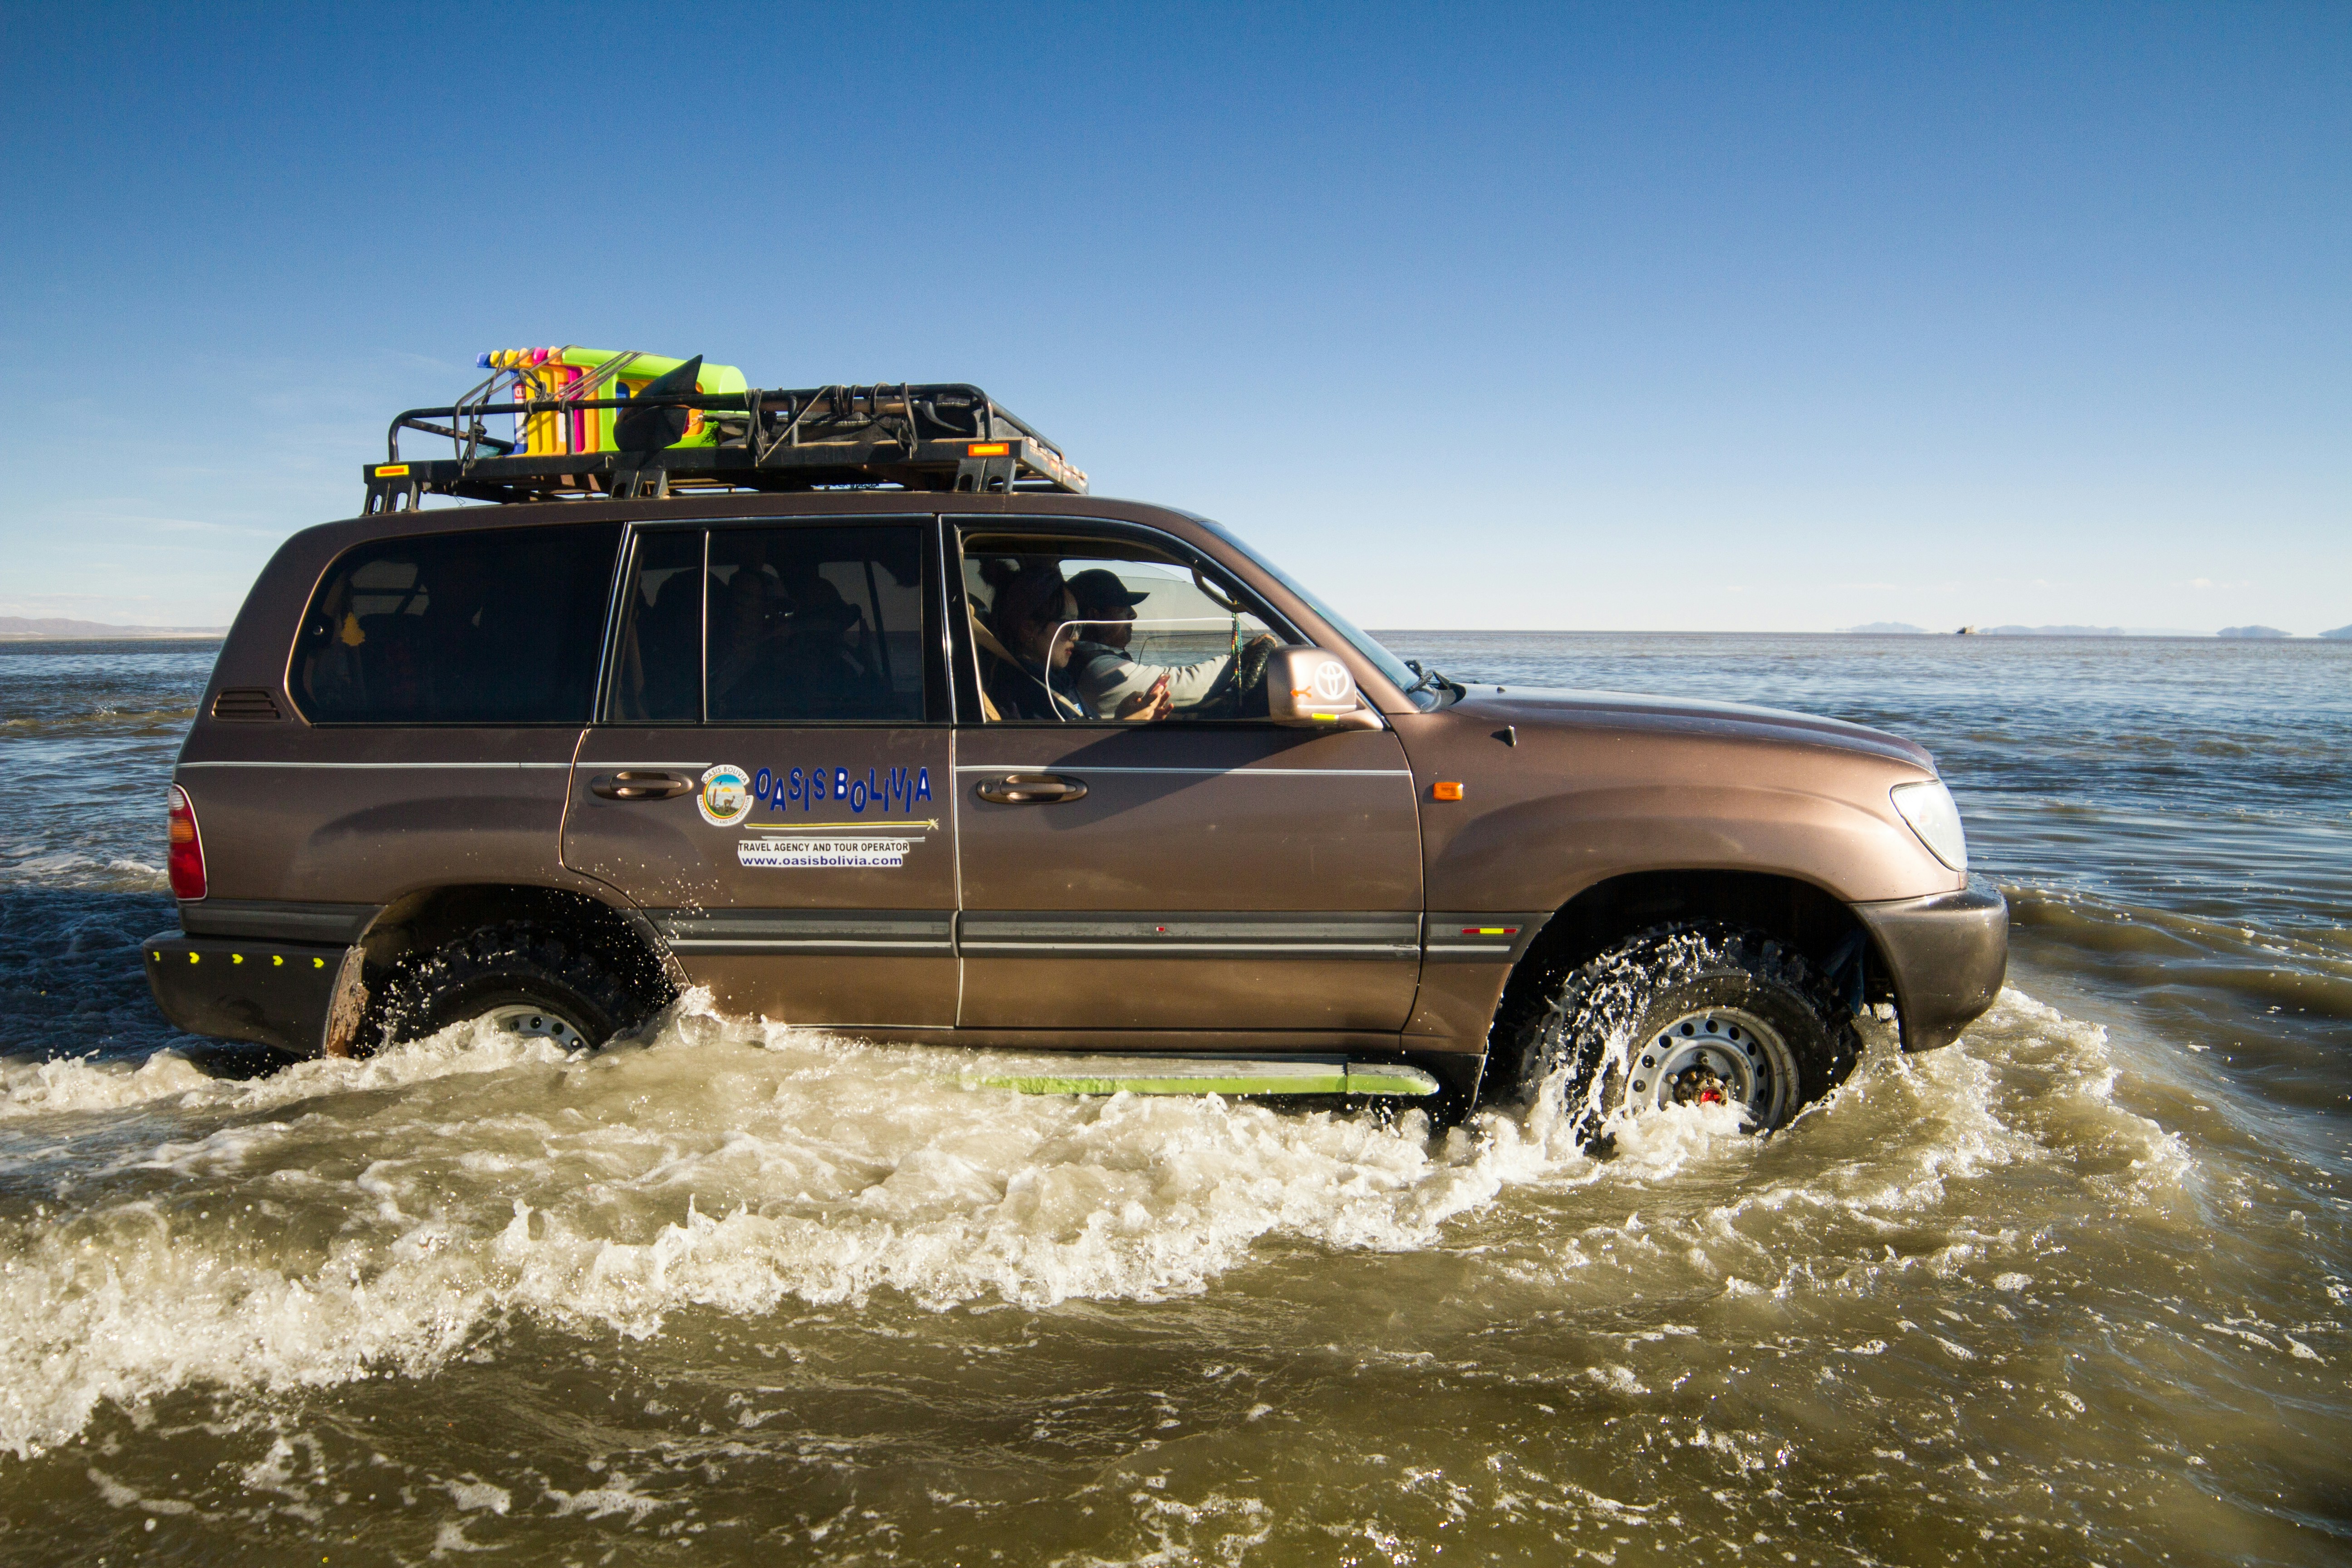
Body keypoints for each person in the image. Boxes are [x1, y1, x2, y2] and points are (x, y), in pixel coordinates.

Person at [1060, 566, 1278, 719]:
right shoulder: (1098, 671)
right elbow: (1183, 685)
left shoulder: (1085, 660)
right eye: (1123, 608)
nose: (1133, 615)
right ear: (1095, 616)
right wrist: (1243, 657)